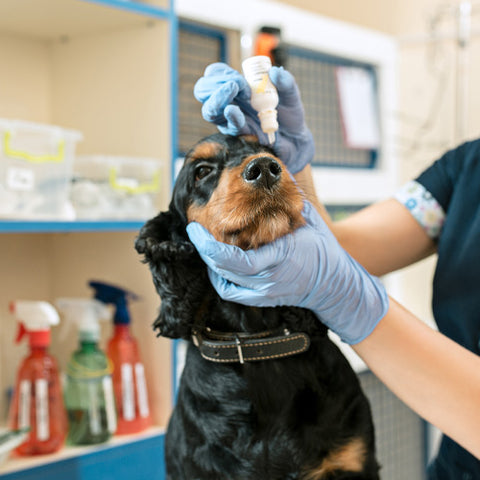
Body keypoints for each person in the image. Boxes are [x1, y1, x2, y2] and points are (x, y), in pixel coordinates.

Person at [189, 62, 480, 479]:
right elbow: (341, 248)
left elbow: (335, 270)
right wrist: (288, 163)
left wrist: (348, 300)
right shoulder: (469, 167)